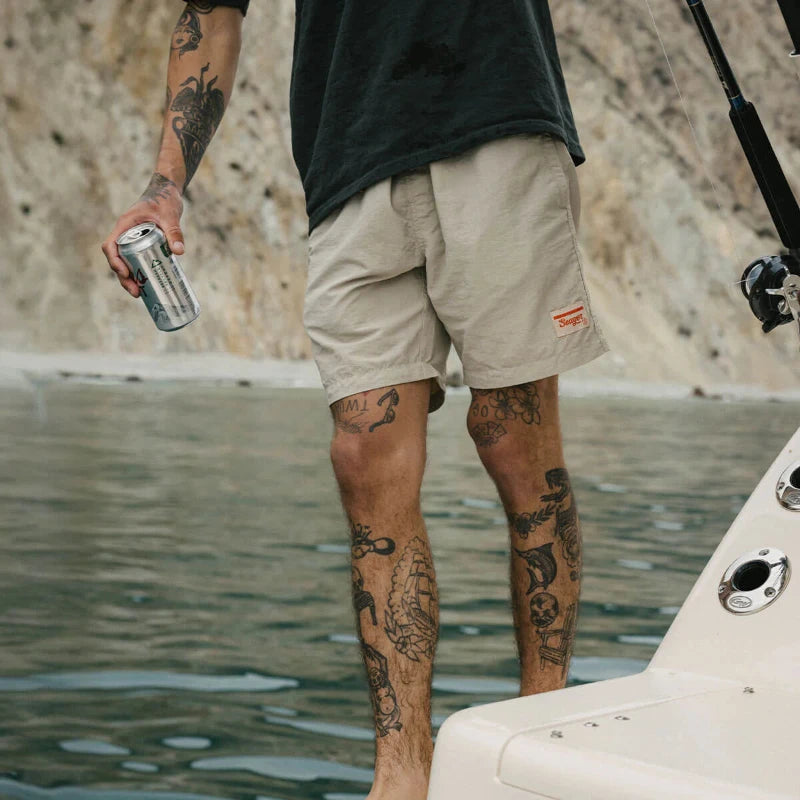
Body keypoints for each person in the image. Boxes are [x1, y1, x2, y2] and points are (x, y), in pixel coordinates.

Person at [101, 2, 609, 797]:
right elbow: (211, 14)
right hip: (349, 157)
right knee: (363, 456)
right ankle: (401, 776)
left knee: (514, 438)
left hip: (495, 115)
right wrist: (166, 186)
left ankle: (539, 736)